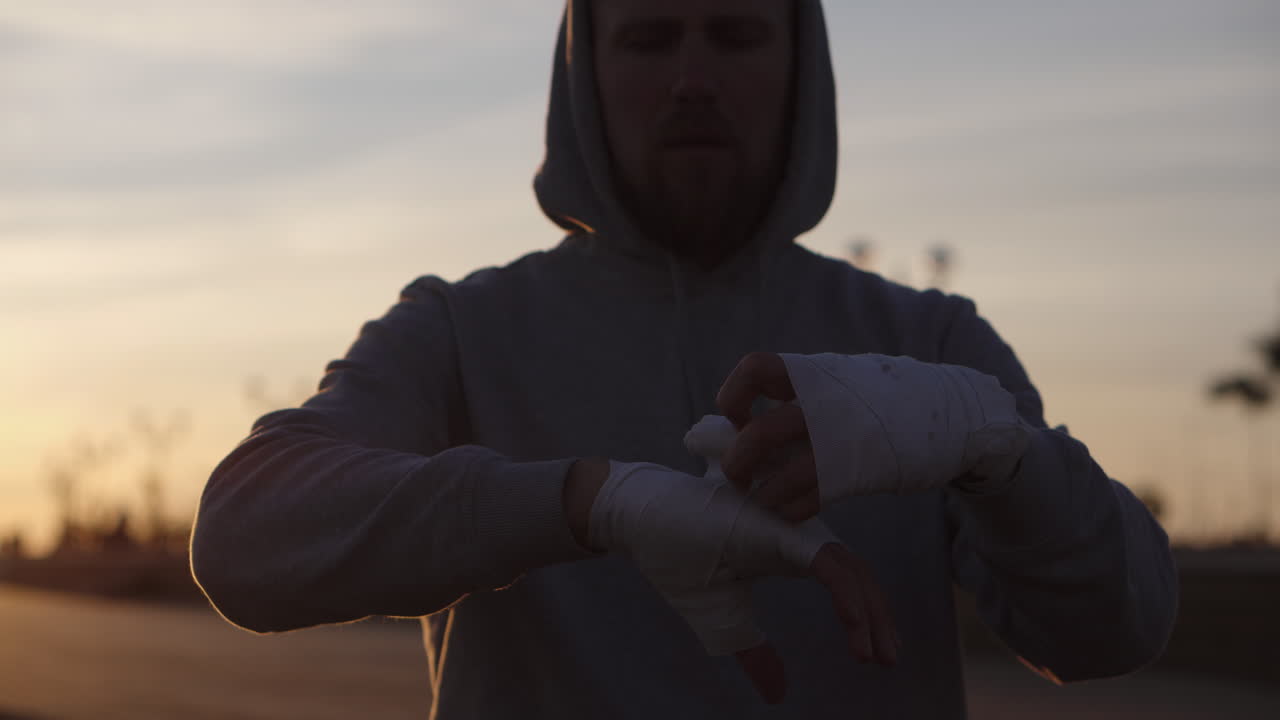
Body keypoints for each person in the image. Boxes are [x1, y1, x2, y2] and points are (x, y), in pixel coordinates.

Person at [190, 0, 1179, 717]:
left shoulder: (927, 346)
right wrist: (586, 500)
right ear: (583, 73)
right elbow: (244, 538)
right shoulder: (460, 329)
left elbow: (1112, 633)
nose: (691, 78)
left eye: (737, 32)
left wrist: (994, 445)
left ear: (801, 70)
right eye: (649, 35)